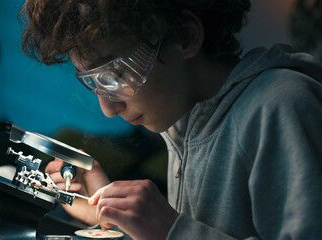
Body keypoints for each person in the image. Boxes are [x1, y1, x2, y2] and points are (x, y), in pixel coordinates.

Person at [19, 0, 322, 239]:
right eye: (94, 82)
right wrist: (113, 217)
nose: (108, 110)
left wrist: (171, 231)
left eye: (116, 75)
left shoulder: (282, 105)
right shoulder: (183, 123)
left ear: (185, 36)